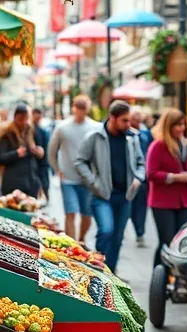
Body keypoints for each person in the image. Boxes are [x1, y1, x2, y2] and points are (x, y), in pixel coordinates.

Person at [73, 100, 145, 272]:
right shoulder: (94, 136)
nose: (129, 124)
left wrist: (138, 178)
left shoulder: (132, 137)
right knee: (106, 231)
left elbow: (141, 163)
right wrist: (93, 182)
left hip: (125, 196)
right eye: (124, 120)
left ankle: (109, 273)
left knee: (118, 237)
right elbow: (80, 162)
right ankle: (96, 269)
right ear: (112, 117)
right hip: (101, 195)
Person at [146, 109, 187, 266]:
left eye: (183, 124)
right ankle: (160, 277)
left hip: (186, 201)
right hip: (163, 202)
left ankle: (177, 278)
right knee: (167, 241)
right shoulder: (158, 146)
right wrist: (176, 177)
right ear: (168, 126)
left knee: (182, 243)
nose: (181, 128)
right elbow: (151, 174)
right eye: (177, 125)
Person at [48, 95, 97, 241]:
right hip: (68, 179)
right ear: (73, 108)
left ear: (87, 109)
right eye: (78, 108)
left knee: (87, 214)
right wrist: (57, 170)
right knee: (70, 213)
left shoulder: (95, 127)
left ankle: (81, 240)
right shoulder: (62, 127)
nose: (80, 112)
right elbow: (52, 151)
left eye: (83, 109)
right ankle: (71, 245)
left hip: (88, 179)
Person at [0, 104, 43, 197]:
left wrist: (40, 152)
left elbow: (41, 155)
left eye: (26, 119)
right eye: (21, 119)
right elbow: (0, 157)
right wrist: (16, 154)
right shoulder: (7, 134)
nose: (24, 122)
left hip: (31, 183)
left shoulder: (32, 131)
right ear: (15, 118)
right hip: (12, 185)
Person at [130, 108, 154, 247]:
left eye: (139, 117)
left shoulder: (146, 133)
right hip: (129, 177)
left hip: (143, 177)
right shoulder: (127, 134)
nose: (137, 120)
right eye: (134, 117)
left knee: (140, 207)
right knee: (131, 208)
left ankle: (140, 232)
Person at [32, 107, 51, 199]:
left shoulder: (42, 131)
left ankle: (45, 195)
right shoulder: (32, 129)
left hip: (42, 161)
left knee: (44, 180)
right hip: (35, 161)